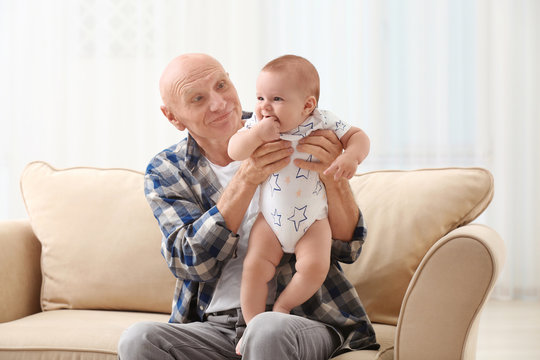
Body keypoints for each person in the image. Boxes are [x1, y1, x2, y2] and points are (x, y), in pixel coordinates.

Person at [117, 53, 378, 360]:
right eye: (198, 98)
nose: (218, 103)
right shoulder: (167, 170)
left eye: (222, 85)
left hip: (301, 318)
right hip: (216, 327)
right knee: (138, 340)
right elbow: (191, 262)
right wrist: (245, 179)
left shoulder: (297, 126)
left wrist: (334, 178)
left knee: (267, 329)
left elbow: (349, 248)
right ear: (173, 117)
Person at [227, 55, 370, 347]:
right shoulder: (257, 123)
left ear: (307, 105)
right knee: (254, 267)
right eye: (259, 97)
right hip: (271, 220)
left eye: (276, 98)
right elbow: (235, 150)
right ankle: (253, 327)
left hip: (313, 221)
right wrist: (255, 135)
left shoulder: (322, 121)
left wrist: (350, 156)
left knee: (315, 266)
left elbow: (359, 136)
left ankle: (283, 306)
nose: (264, 106)